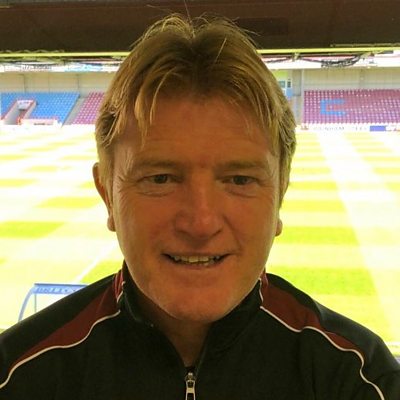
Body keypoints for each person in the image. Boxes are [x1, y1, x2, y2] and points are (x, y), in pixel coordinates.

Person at [0, 14, 399, 400]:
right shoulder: (16, 378)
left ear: (280, 194)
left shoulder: (359, 379)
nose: (201, 222)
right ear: (107, 194)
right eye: (161, 179)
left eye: (239, 180)